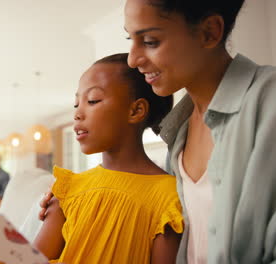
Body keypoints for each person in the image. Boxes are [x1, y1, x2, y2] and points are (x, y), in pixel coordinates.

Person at [37, 1, 276, 263]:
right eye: (130, 39)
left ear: (209, 32)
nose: (133, 58)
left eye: (150, 41)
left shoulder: (268, 103)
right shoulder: (179, 132)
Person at [34, 53, 182, 264]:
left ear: (136, 110)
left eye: (92, 100)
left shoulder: (168, 198)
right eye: (77, 104)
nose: (77, 114)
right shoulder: (67, 190)